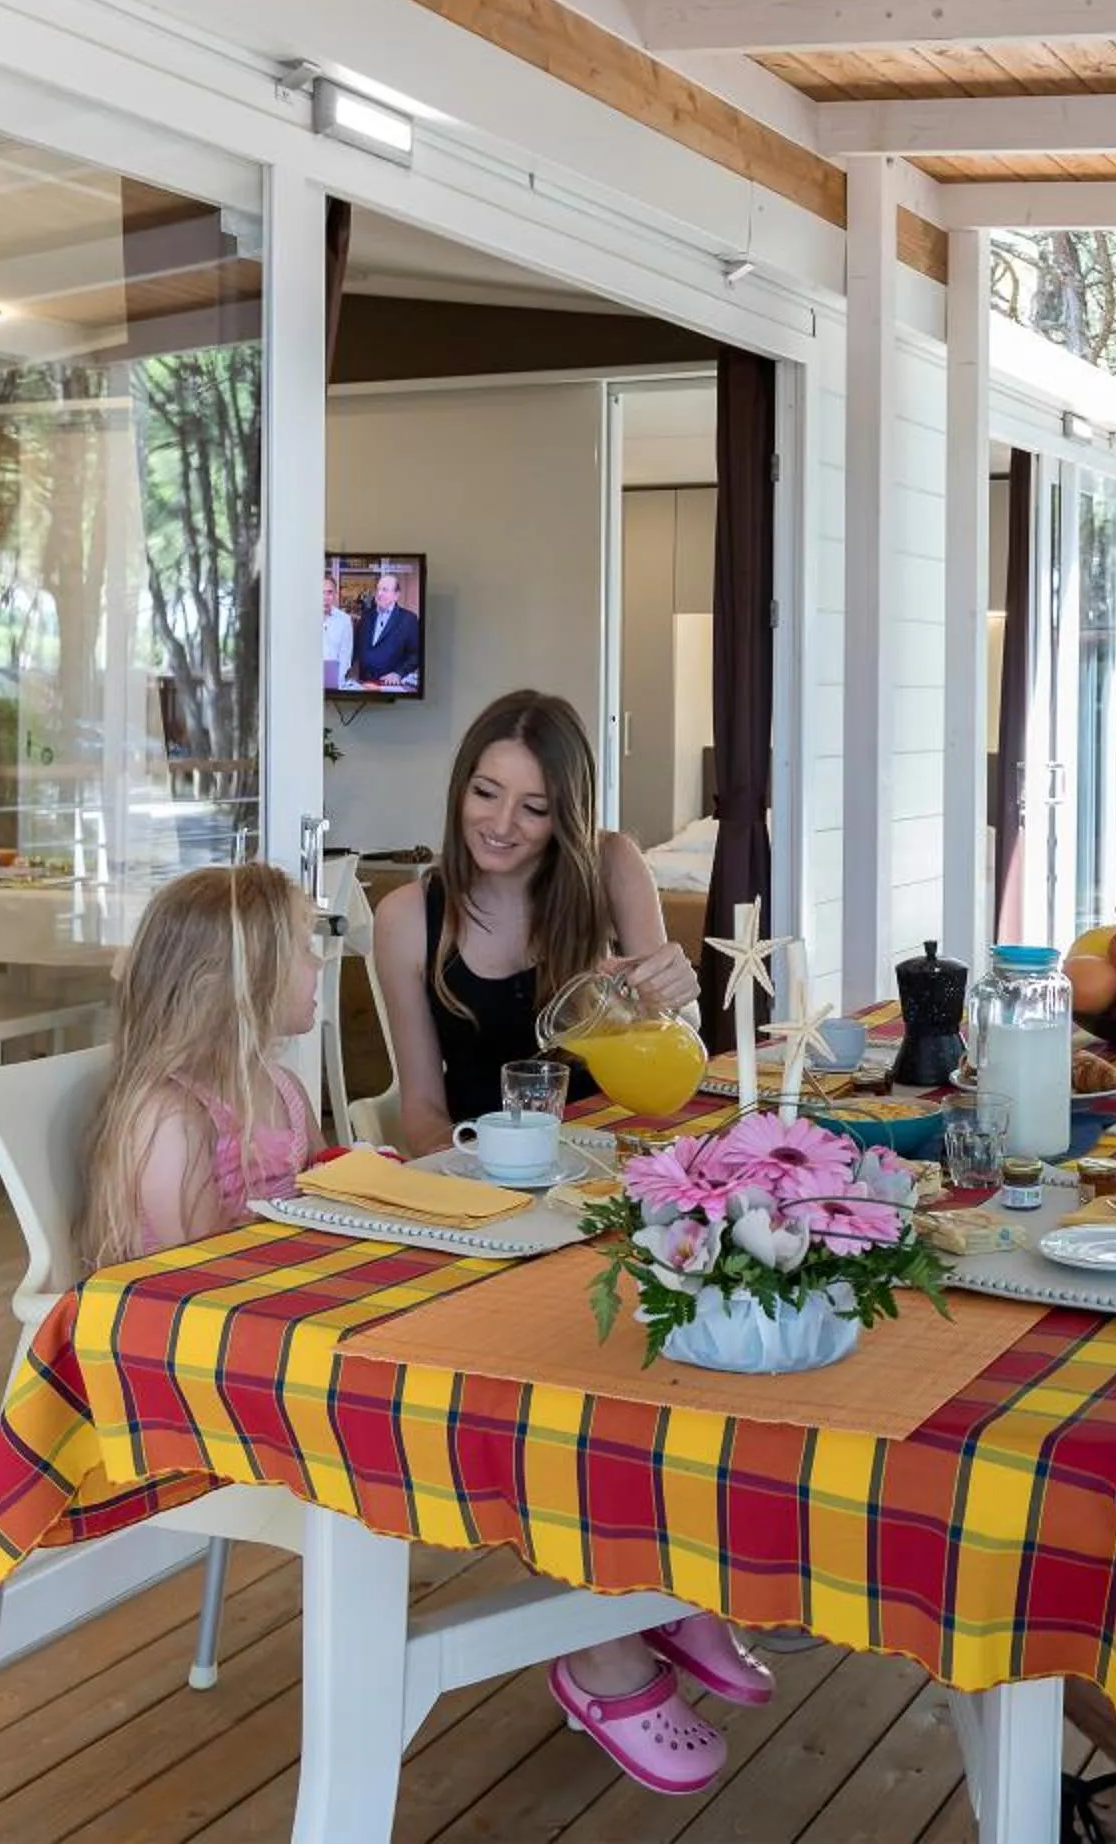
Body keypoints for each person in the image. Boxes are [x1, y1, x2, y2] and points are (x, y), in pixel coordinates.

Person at [373, 688, 761, 1788]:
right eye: (485, 792)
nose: (501, 823)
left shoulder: (612, 870)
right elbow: (418, 1108)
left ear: (567, 814)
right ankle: (604, 1647)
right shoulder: (408, 916)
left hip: (612, 1177)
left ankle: (658, 1586)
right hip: (491, 1200)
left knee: (695, 1337)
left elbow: (672, 1067)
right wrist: (485, 1196)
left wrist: (678, 994)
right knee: (570, 1367)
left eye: (534, 806)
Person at [78, 861, 323, 1268]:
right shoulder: (170, 1118)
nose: (319, 964)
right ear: (244, 980)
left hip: (278, 1284)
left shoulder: (285, 1090)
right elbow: (207, 1270)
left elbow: (332, 1194)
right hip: (193, 1301)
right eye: (305, 949)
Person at [350, 566, 422, 692]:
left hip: (390, 686)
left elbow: (416, 654)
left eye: (385, 590)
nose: (379, 594)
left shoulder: (408, 619)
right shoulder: (366, 616)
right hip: (365, 684)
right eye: (378, 589)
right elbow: (355, 648)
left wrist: (398, 673)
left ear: (396, 595)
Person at [320, 574, 355, 691]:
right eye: (321, 592)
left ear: (335, 595)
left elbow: (346, 656)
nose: (325, 597)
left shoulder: (344, 620)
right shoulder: (304, 617)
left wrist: (335, 682)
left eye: (329, 592)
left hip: (336, 684)